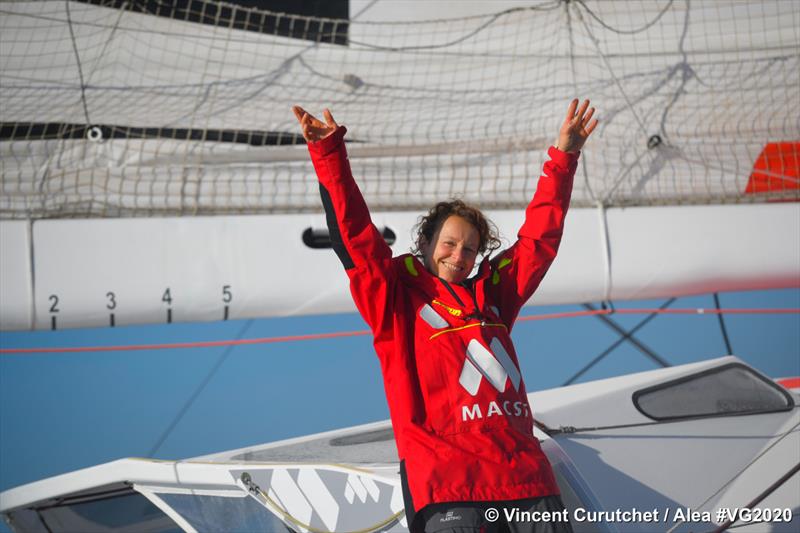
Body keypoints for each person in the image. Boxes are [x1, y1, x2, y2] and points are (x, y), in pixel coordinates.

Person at [292, 99, 597, 533]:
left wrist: (564, 156)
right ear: (427, 242)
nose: (459, 256)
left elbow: (540, 239)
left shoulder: (495, 294)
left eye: (470, 248)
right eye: (450, 244)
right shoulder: (395, 298)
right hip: (447, 485)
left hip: (525, 479)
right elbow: (356, 238)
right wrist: (328, 155)